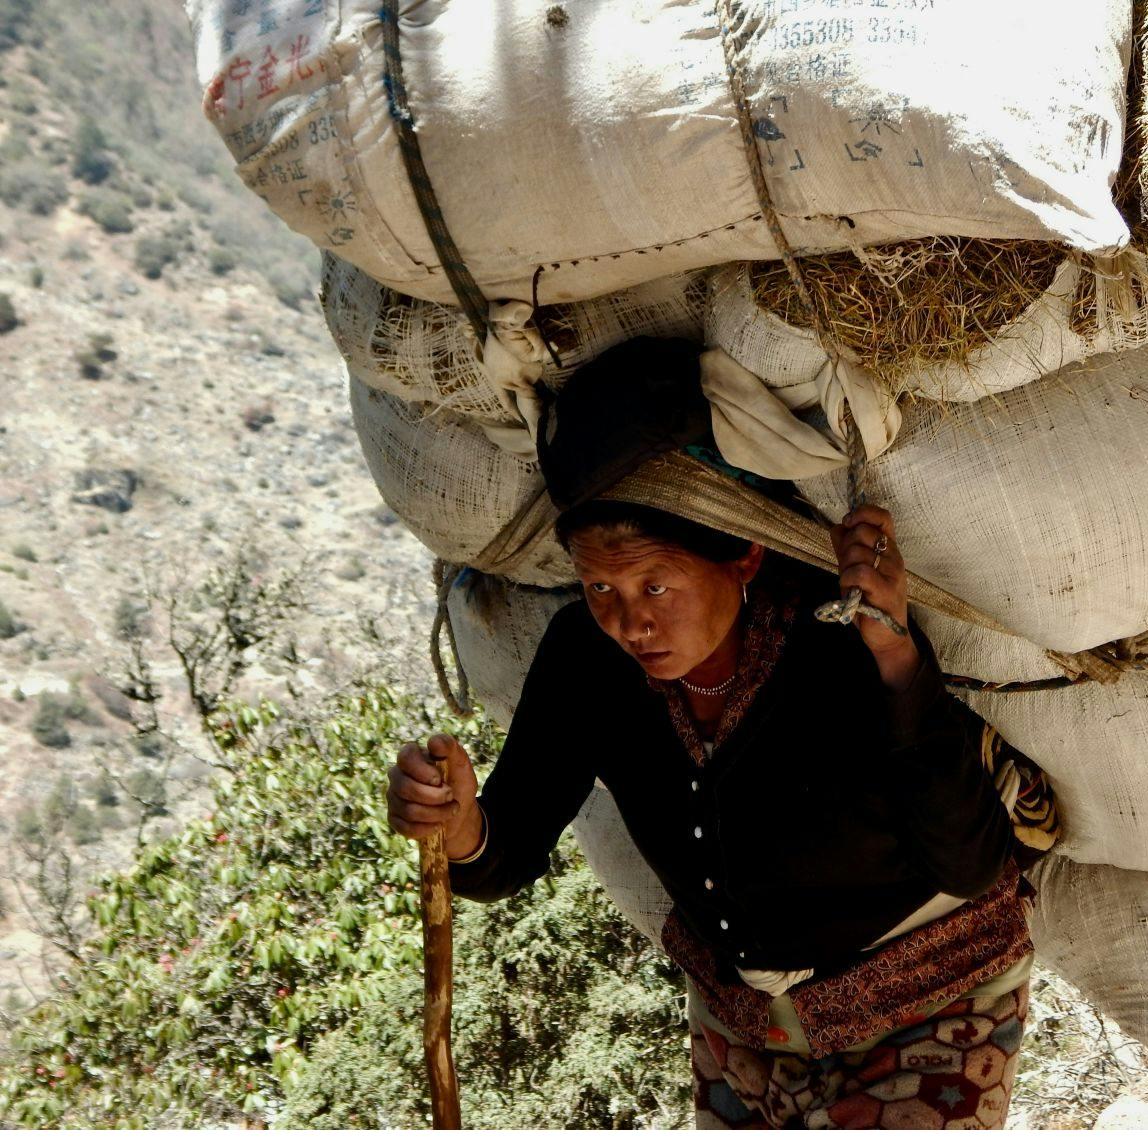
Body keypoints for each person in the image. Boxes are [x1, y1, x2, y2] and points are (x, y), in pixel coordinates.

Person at [387, 337, 1038, 1129]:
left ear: (744, 555)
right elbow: (502, 856)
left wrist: (897, 654)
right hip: (744, 1029)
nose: (630, 620)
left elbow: (971, 865)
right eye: (600, 586)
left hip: (933, 1001)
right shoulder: (585, 662)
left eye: (656, 582)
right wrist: (457, 827)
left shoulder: (839, 640)